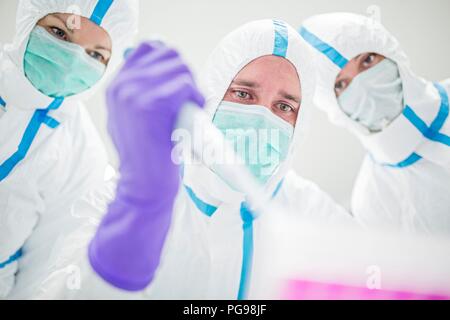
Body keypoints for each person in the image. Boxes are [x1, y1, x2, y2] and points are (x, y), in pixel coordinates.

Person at [27, 19, 353, 300]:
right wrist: (141, 208)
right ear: (210, 98)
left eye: (284, 107)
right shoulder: (129, 198)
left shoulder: (311, 215)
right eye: (243, 94)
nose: (261, 117)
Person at [0, 0, 139, 298]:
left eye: (95, 54)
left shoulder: (84, 157)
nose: (73, 61)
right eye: (60, 34)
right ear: (29, 19)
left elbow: (41, 276)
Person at [300, 13, 450, 235]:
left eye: (367, 61)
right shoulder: (373, 201)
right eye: (342, 84)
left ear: (390, 51)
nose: (364, 85)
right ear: (332, 106)